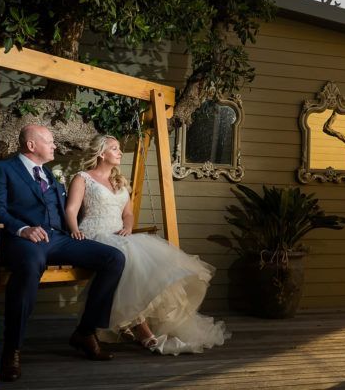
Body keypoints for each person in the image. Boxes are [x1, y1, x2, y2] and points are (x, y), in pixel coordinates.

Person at [65, 134, 229, 355]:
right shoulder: (83, 178)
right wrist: (74, 230)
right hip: (95, 234)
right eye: (114, 148)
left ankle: (141, 324)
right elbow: (71, 209)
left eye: (119, 148)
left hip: (121, 235)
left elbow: (128, 214)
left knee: (148, 261)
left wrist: (128, 227)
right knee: (128, 257)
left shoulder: (120, 182)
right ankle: (141, 329)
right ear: (101, 153)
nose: (120, 152)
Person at [0, 125, 126, 382]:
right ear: (32, 145)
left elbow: (68, 209)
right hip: (24, 241)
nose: (55, 146)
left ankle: (86, 332)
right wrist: (22, 230)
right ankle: (12, 349)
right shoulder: (4, 169)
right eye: (50, 141)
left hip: (59, 239)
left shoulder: (49, 175)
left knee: (114, 258)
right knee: (31, 264)